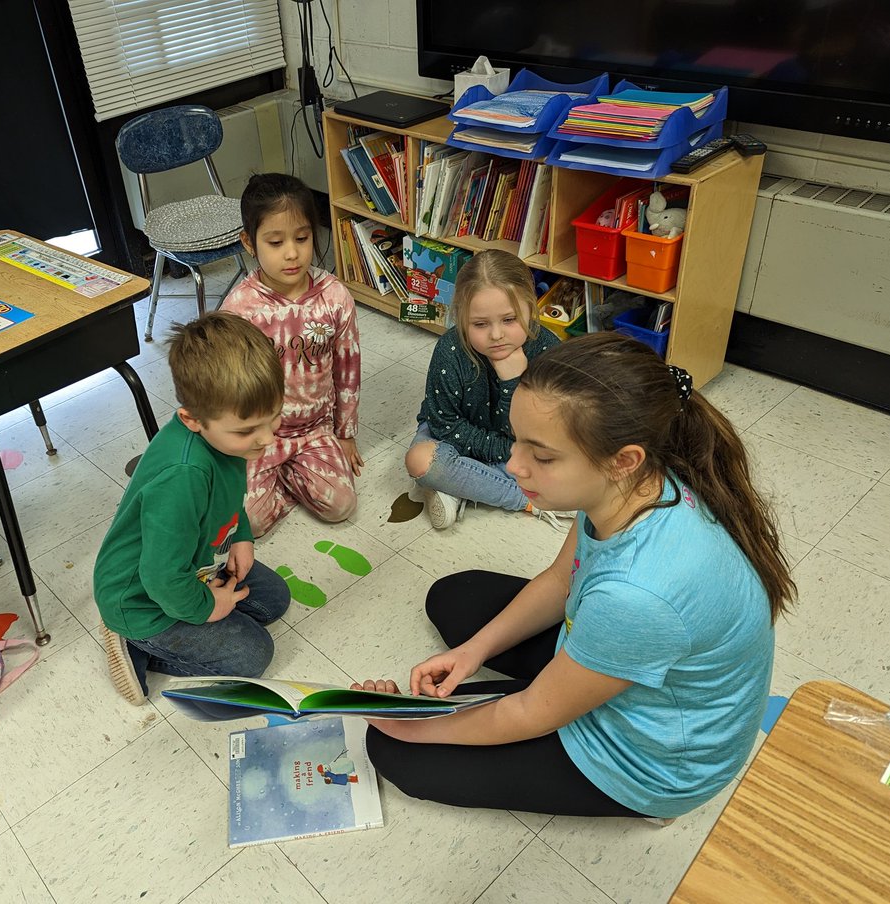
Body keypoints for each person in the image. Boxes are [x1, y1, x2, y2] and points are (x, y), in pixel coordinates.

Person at [358, 333, 795, 820]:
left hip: (652, 761)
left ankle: (645, 802)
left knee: (393, 749)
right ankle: (545, 674)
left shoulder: (638, 595)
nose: (513, 465)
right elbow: (562, 581)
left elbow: (531, 714)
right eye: (517, 440)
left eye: (542, 457)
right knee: (454, 599)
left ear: (621, 459)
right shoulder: (639, 483)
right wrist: (471, 652)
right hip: (612, 647)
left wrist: (409, 727)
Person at [93, 312, 291, 705]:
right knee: (253, 656)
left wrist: (242, 537)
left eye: (273, 419)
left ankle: (193, 615)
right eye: (247, 430)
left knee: (274, 600)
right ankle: (135, 642)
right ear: (191, 420)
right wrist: (207, 607)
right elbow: (161, 576)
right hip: (143, 598)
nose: (267, 438)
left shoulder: (225, 437)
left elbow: (230, 498)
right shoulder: (182, 478)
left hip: (195, 564)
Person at [221, 172, 361, 537]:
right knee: (246, 524)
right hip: (261, 436)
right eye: (275, 241)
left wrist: (345, 434)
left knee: (341, 505)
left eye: (302, 238)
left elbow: (348, 369)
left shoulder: (334, 297)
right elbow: (229, 386)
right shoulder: (240, 309)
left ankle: (292, 477)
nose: (291, 253)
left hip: (316, 430)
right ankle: (284, 482)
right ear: (249, 243)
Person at [404, 249, 563, 530]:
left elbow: (543, 430)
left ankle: (464, 485)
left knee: (565, 461)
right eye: (479, 324)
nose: (496, 335)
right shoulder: (450, 350)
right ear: (461, 318)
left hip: (521, 443)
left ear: (531, 308)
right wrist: (508, 451)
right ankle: (523, 499)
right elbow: (444, 425)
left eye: (509, 320)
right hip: (462, 436)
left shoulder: (548, 348)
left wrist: (514, 381)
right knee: (420, 460)